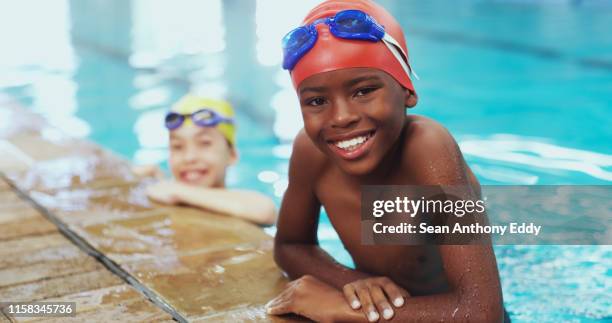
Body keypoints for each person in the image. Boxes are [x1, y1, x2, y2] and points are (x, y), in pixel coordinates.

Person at [267, 0, 508, 321]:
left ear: (407, 90)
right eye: (317, 101)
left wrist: (340, 308)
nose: (341, 117)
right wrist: (354, 283)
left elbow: (482, 312)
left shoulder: (428, 148)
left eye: (364, 91)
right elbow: (291, 246)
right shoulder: (311, 152)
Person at [134, 95, 276, 226]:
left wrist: (178, 191)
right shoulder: (171, 189)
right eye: (177, 147)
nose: (189, 158)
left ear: (232, 155)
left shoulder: (246, 204)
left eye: (204, 143)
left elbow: (266, 211)